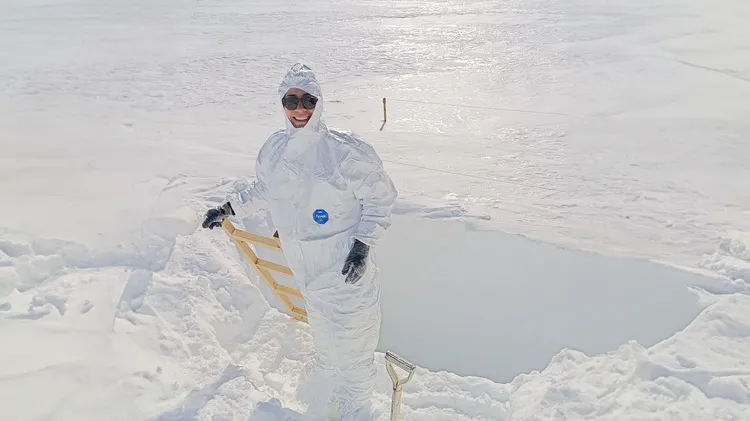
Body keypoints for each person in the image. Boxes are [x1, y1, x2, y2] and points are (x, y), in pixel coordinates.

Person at [202, 63, 398, 421]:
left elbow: (380, 198)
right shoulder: (275, 149)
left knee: (354, 338)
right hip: (304, 266)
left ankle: (356, 406)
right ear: (282, 104)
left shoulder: (344, 150)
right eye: (291, 101)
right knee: (323, 332)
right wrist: (229, 207)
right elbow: (265, 189)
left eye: (308, 100)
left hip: (342, 267)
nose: (299, 109)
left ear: (319, 102)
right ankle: (323, 389)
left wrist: (362, 245)